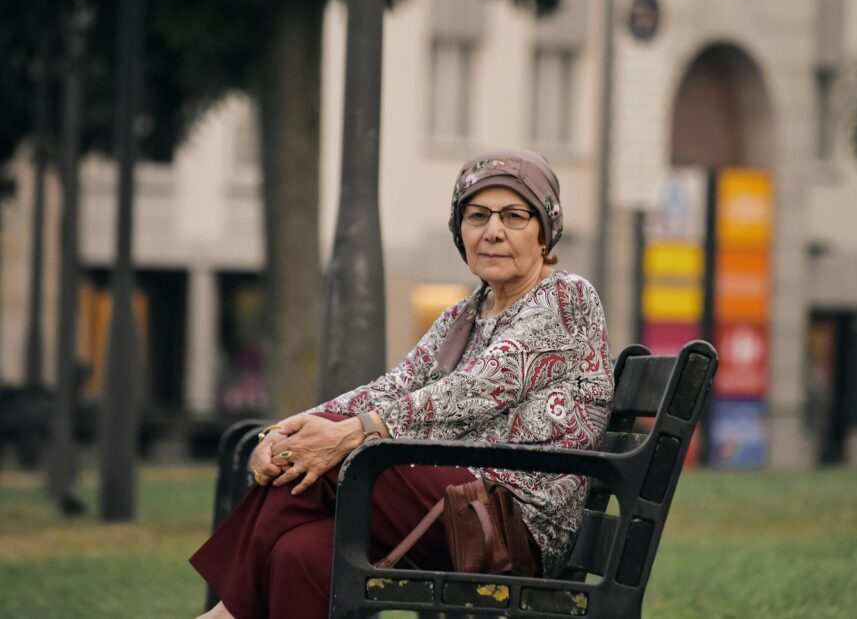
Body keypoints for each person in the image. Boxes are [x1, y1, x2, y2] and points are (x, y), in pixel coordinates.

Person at [192, 148, 614, 619]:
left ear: (544, 231)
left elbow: (475, 388)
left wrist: (352, 432)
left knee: (346, 456)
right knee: (301, 552)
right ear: (461, 231)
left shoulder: (567, 297)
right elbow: (392, 387)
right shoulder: (464, 314)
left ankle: (223, 616)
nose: (493, 231)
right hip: (450, 502)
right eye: (477, 216)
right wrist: (289, 430)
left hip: (510, 525)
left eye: (515, 216)